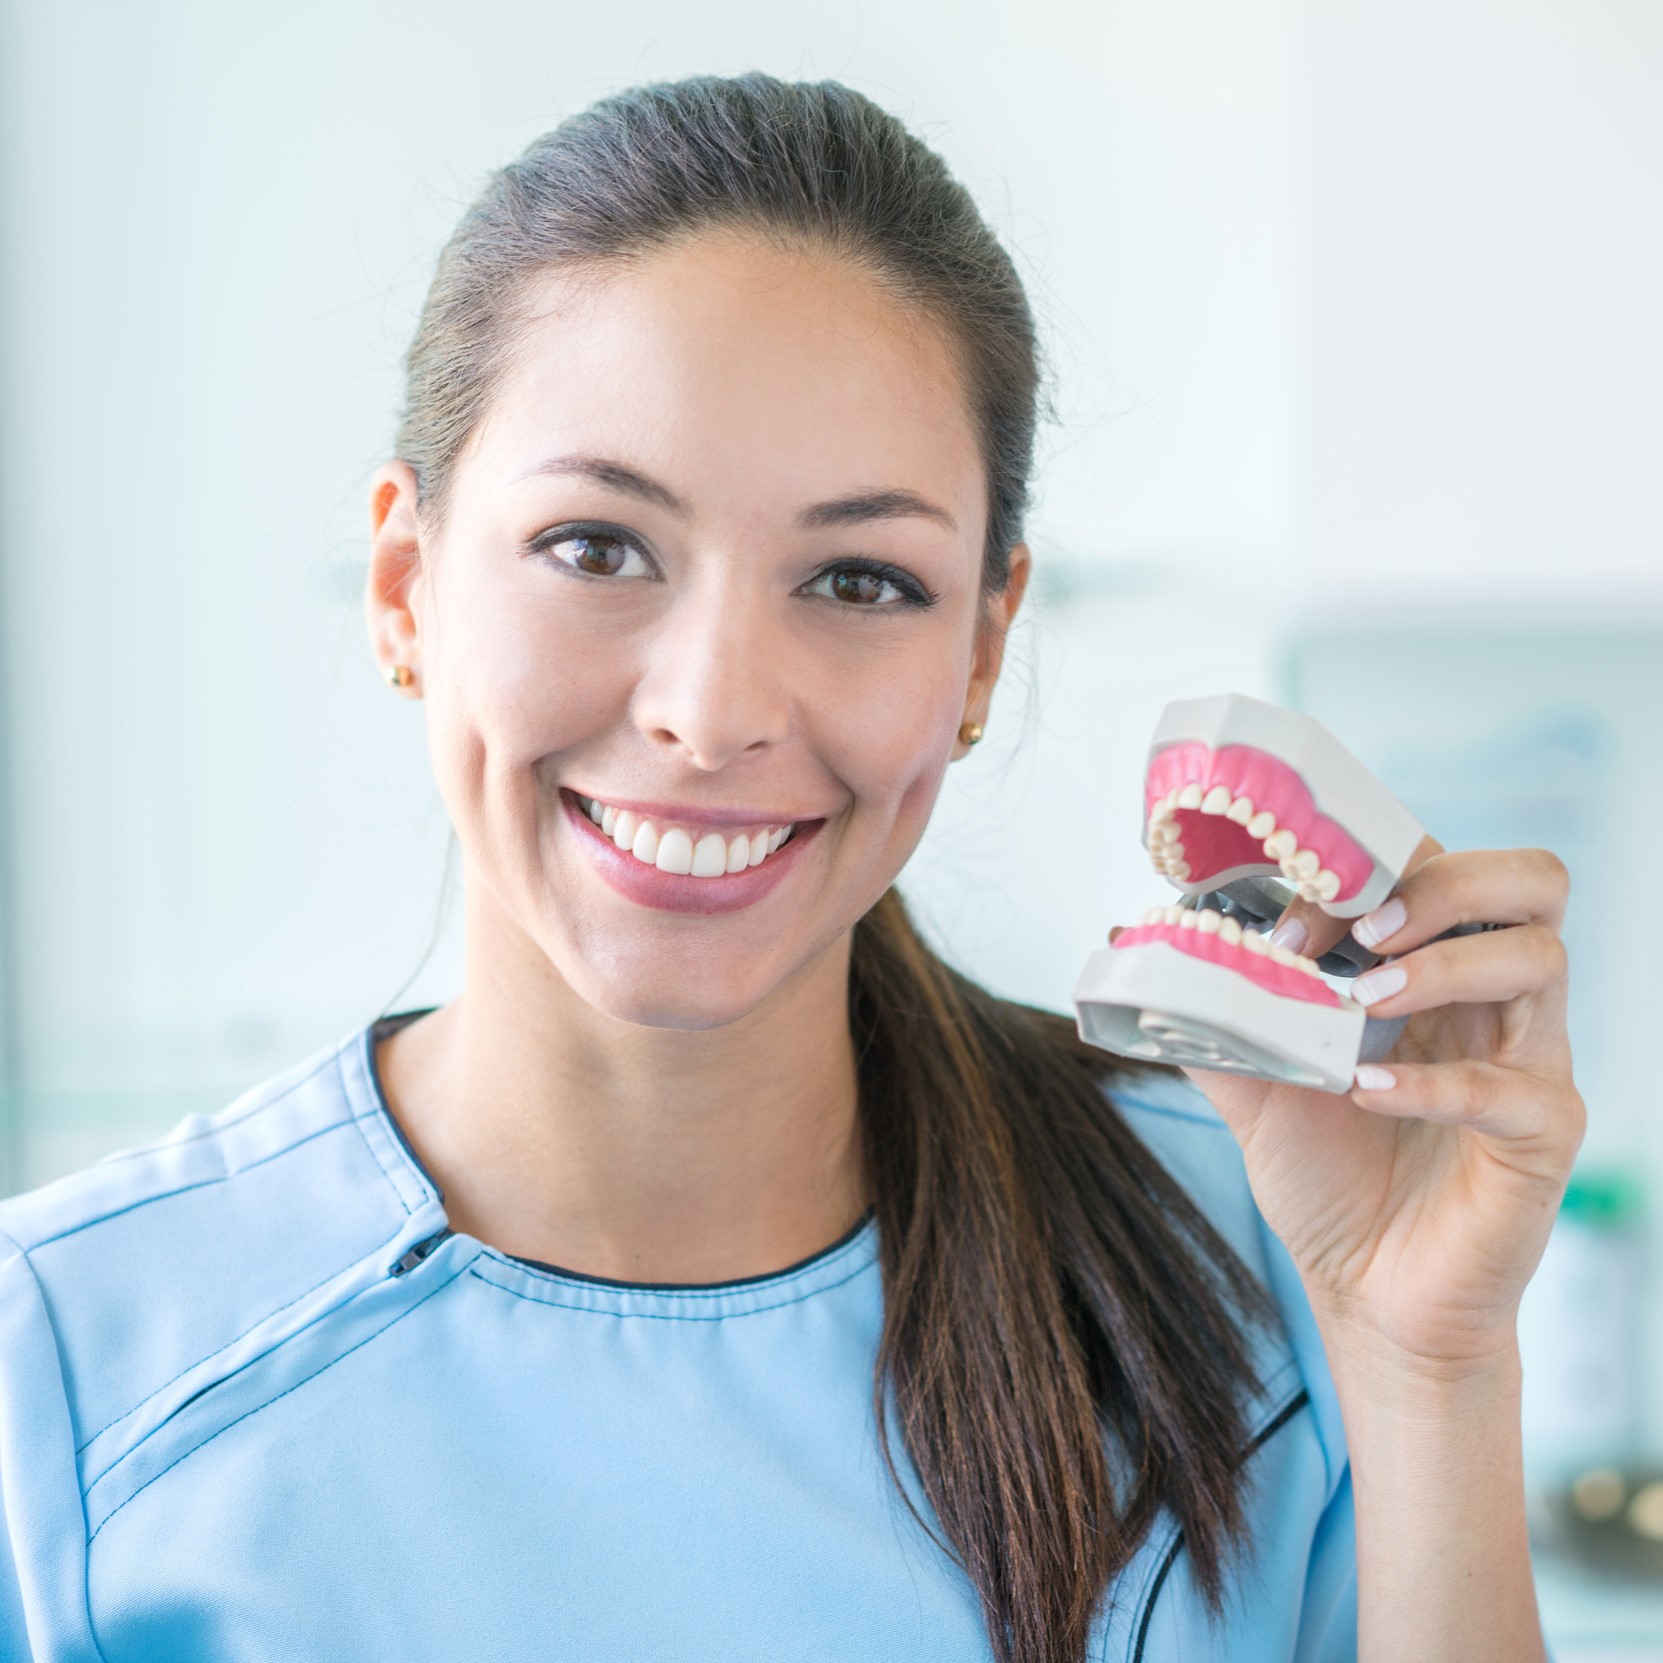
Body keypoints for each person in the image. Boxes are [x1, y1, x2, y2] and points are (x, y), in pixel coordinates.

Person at [0, 72, 1581, 1663]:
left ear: (983, 648)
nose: (715, 712)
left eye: (857, 578)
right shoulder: (63, 1369)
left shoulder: (1262, 1268)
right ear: (407, 584)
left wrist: (1433, 1373)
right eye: (598, 548)